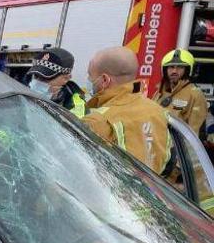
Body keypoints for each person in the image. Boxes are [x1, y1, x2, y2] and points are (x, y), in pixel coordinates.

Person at [82, 46, 171, 174]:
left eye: (90, 75)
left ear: (105, 80)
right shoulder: (158, 111)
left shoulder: (97, 121)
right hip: (153, 193)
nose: (89, 80)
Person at [154, 49, 209, 138]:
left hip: (177, 148)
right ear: (165, 69)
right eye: (171, 67)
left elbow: (194, 133)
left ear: (188, 70)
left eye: (180, 67)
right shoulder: (160, 92)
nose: (174, 71)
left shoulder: (195, 95)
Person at [27, 47, 87, 117]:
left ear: (66, 78)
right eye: (36, 76)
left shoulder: (76, 108)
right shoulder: (21, 93)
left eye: (45, 78)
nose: (37, 82)